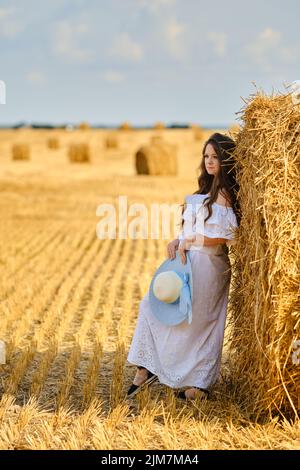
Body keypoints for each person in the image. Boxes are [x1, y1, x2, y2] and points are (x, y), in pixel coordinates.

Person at [126, 133, 241, 400]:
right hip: (186, 261)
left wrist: (192, 240)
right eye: (206, 156)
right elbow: (195, 229)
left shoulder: (224, 194)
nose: (210, 161)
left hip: (209, 266)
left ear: (225, 160)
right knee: (152, 306)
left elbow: (229, 236)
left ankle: (199, 385)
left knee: (198, 323)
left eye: (215, 157)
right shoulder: (204, 190)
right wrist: (179, 240)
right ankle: (147, 367)